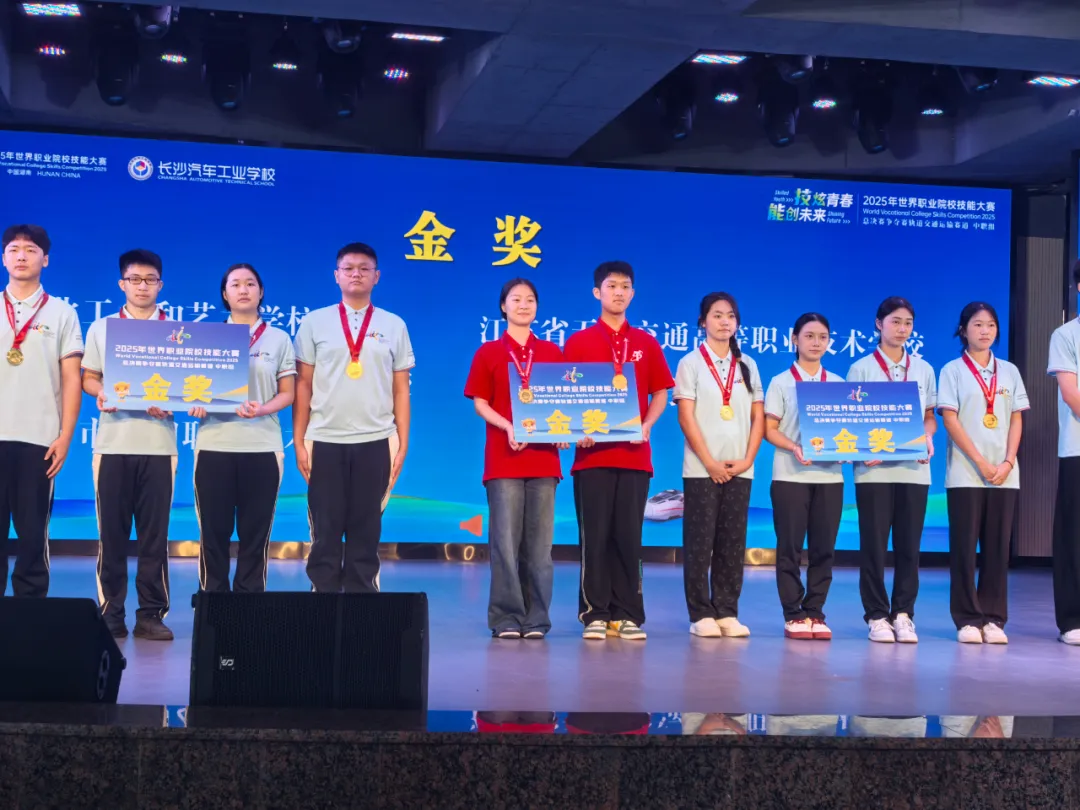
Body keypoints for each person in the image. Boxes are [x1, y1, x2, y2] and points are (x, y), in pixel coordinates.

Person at [563, 260, 674, 642]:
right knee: (594, 538)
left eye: (625, 286)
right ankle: (595, 613)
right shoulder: (578, 343)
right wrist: (575, 430)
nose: (619, 292)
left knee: (628, 538)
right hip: (591, 457)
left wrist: (647, 425)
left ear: (633, 293)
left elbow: (661, 392)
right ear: (597, 292)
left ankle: (627, 613)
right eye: (612, 286)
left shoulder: (646, 343)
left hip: (634, 456)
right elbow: (565, 394)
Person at [293, 242, 413, 593]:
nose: (356, 274)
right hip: (325, 438)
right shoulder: (314, 322)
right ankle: (323, 602)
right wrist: (299, 440)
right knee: (325, 530)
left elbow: (401, 389)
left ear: (377, 276)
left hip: (377, 439)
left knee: (366, 529)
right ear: (336, 276)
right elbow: (303, 384)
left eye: (364, 268)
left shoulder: (393, 324)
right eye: (348, 268)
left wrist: (402, 443)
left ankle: (362, 607)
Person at [81, 249, 176, 640]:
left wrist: (172, 402)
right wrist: (101, 392)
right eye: (134, 279)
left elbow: (191, 388)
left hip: (159, 445)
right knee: (112, 535)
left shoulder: (178, 332)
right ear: (122, 284)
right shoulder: (102, 328)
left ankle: (151, 614)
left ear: (161, 285)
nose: (142, 286)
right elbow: (89, 377)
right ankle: (111, 613)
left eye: (150, 279)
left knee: (155, 536)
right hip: (113, 443)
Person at [464, 278, 564, 640]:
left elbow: (563, 403)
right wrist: (508, 426)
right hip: (504, 458)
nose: (524, 305)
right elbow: (480, 403)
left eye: (530, 299)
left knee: (540, 547)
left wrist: (564, 431)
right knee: (505, 544)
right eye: (516, 299)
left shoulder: (552, 352)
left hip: (544, 460)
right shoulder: (488, 352)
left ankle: (537, 618)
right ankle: (506, 617)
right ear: (503, 306)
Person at [189, 264, 296, 593]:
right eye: (235, 284)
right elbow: (190, 388)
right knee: (213, 534)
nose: (243, 289)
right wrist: (195, 402)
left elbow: (288, 393)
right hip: (214, 446)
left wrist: (262, 408)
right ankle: (213, 606)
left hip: (262, 447)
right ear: (225, 294)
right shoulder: (206, 337)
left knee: (255, 536)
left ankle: (249, 608)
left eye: (250, 283)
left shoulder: (279, 339)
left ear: (261, 292)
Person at [846, 297, 938, 644]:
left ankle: (903, 614)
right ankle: (876, 615)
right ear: (879, 324)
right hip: (874, 472)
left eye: (908, 323)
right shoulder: (861, 368)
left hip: (914, 470)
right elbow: (851, 419)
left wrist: (927, 437)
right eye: (895, 321)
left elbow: (929, 417)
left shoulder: (924, 369)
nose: (902, 329)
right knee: (873, 545)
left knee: (909, 547)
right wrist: (863, 449)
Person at [673, 292, 764, 638]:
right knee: (700, 542)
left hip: (740, 466)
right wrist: (709, 462)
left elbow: (758, 417)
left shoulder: (748, 364)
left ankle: (727, 610)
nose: (725, 322)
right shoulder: (690, 363)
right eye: (717, 315)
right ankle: (700, 613)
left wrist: (748, 459)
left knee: (733, 541)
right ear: (703, 322)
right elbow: (686, 417)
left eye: (730, 316)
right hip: (702, 468)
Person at [938, 302, 1028, 644]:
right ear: (963, 330)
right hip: (966, 472)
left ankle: (993, 619)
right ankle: (967, 619)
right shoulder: (952, 371)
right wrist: (980, 462)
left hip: (1005, 473)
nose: (985, 331)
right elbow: (950, 420)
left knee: (997, 549)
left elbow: (1016, 417)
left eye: (990, 325)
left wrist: (1007, 462)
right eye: (977, 325)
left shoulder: (1010, 371)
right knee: (964, 548)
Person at [0, 224, 82, 597]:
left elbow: (71, 379)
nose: (21, 256)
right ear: (4, 258)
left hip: (40, 441)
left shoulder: (62, 313)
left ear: (45, 259)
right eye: (14, 249)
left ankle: (29, 613)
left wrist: (65, 436)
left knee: (33, 536)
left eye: (30, 250)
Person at [764, 312, 844, 641]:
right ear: (794, 339)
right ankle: (793, 613)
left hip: (830, 478)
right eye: (809, 336)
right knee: (790, 548)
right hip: (790, 475)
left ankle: (815, 611)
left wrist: (854, 448)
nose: (816, 342)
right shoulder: (781, 382)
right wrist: (795, 446)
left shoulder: (838, 384)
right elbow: (769, 429)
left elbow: (847, 431)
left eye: (822, 337)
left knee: (824, 548)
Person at [1049, 261, 1080, 646]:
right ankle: (1072, 619)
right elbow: (1071, 393)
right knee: (1075, 533)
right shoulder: (1066, 335)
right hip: (1078, 448)